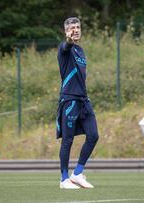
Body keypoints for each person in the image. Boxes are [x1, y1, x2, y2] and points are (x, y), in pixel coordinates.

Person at [56, 17, 99, 189]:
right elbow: (66, 45)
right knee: (67, 141)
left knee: (93, 135)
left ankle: (77, 173)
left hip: (83, 100)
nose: (76, 30)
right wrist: (68, 39)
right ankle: (64, 179)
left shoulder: (80, 50)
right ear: (66, 31)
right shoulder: (64, 48)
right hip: (69, 101)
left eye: (78, 27)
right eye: (72, 27)